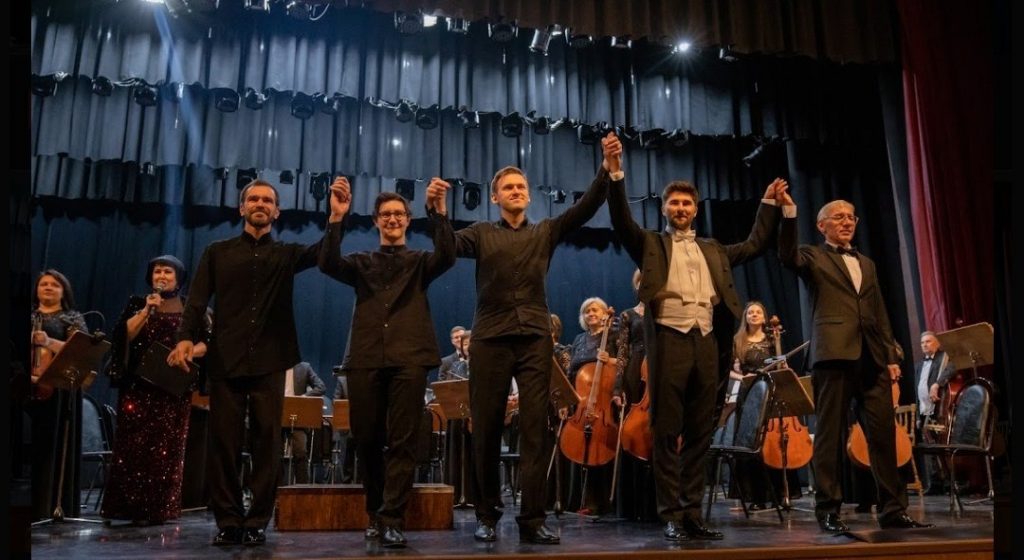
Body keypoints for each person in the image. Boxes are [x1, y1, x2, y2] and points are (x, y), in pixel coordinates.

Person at [604, 131, 786, 541]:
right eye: (674, 203)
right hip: (669, 339)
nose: (681, 208)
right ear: (664, 208)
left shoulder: (713, 249)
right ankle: (670, 513)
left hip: (707, 342)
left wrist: (768, 204)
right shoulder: (651, 244)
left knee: (701, 430)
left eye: (687, 203)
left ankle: (691, 512)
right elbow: (621, 221)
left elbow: (755, 244)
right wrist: (615, 173)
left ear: (696, 209)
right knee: (667, 429)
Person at [441, 133, 613, 545]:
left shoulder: (546, 231)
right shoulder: (480, 232)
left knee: (536, 430)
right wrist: (438, 214)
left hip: (535, 338)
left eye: (521, 186)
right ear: (495, 197)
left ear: (529, 195)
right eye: (508, 188)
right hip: (490, 339)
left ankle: (533, 519)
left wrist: (606, 169)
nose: (516, 191)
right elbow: (446, 249)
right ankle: (486, 515)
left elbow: (585, 208)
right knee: (485, 430)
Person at [168, 179, 326, 547]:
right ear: (242, 208)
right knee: (223, 444)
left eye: (267, 200)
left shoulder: (286, 254)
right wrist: (185, 337)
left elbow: (324, 253)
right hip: (226, 359)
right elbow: (197, 300)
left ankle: (257, 521)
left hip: (271, 360)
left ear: (276, 211)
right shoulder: (217, 252)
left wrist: (336, 218)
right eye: (253, 199)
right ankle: (227, 520)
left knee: (266, 444)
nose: (260, 204)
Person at [778, 195, 932, 531]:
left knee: (883, 436)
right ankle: (828, 511)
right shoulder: (812, 256)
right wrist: (789, 212)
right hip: (833, 356)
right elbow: (787, 255)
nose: (847, 221)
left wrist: (890, 356)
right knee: (829, 437)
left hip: (872, 359)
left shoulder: (867, 263)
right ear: (822, 226)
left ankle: (893, 510)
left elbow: (879, 313)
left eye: (851, 217)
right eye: (838, 217)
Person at [318, 176, 455, 548]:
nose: (393, 219)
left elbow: (447, 256)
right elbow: (326, 263)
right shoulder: (361, 262)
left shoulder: (421, 262)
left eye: (399, 214)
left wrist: (439, 213)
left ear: (408, 220)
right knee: (366, 438)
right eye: (386, 214)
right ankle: (375, 512)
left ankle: (392, 518)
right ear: (376, 221)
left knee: (403, 441)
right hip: (365, 357)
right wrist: (336, 217)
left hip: (410, 358)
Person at [101, 255, 207, 525]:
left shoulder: (190, 307)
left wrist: (186, 352)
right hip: (137, 387)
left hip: (173, 390)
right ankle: (127, 508)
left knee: (166, 451)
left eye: (168, 272)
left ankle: (158, 509)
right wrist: (146, 311)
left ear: (178, 279)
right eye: (157, 271)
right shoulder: (138, 304)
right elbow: (122, 336)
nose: (161, 276)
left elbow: (207, 342)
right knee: (132, 448)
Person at [725, 301, 802, 510]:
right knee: (752, 443)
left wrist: (782, 360)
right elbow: (727, 370)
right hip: (749, 394)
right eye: (750, 312)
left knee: (774, 442)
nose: (754, 314)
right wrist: (741, 378)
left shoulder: (772, 340)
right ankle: (756, 496)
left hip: (771, 393)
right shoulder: (738, 341)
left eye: (758, 312)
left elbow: (782, 366)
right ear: (745, 317)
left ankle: (780, 492)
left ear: (764, 317)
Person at [28, 269, 88, 521]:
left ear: (64, 291)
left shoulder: (72, 318)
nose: (48, 287)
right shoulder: (30, 315)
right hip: (26, 387)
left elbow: (80, 350)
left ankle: (50, 504)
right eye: (43, 284)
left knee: (51, 447)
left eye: (55, 284)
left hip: (59, 391)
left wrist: (48, 342)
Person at [564, 297, 624, 517]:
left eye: (595, 310)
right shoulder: (579, 339)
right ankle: (581, 500)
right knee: (580, 450)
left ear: (605, 314)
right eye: (587, 311)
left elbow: (625, 362)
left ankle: (605, 501)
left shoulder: (614, 335)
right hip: (582, 402)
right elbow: (571, 371)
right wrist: (567, 401)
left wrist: (610, 360)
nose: (591, 314)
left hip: (605, 400)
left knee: (602, 449)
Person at [914, 331, 954, 495]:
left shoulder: (944, 358)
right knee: (929, 448)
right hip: (924, 410)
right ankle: (935, 483)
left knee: (942, 446)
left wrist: (937, 384)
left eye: (928, 341)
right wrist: (917, 414)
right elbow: (917, 390)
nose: (924, 344)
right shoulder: (918, 365)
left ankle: (950, 483)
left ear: (937, 343)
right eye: (922, 342)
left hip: (938, 408)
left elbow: (951, 369)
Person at [281, 361, 327, 485]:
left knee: (301, 452)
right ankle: (276, 490)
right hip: (277, 415)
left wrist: (305, 396)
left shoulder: (304, 367)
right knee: (274, 454)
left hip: (297, 417)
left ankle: (302, 490)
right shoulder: (276, 366)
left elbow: (321, 387)